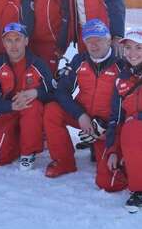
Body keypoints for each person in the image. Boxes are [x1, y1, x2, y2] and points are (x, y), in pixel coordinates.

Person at [43, 19, 127, 193]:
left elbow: (128, 106)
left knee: (109, 183)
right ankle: (64, 161)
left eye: (98, 39)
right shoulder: (79, 60)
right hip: (83, 117)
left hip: (107, 126)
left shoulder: (122, 65)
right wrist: (80, 115)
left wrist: (106, 131)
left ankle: (123, 162)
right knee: (52, 110)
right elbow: (61, 92)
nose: (93, 45)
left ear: (109, 39)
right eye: (89, 40)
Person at [0, 22, 54, 170]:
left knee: (31, 104)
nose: (14, 45)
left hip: (32, 113)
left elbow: (53, 92)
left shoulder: (38, 64)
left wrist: (36, 93)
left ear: (26, 41)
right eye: (9, 40)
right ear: (3, 43)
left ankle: (28, 151)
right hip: (9, 112)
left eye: (18, 39)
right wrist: (10, 106)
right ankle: (20, 140)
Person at [106, 27, 142, 213]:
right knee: (107, 180)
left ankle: (139, 190)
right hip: (134, 137)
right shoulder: (121, 79)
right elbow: (116, 117)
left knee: (133, 127)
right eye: (128, 48)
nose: (132, 53)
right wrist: (113, 150)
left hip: (136, 131)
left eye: (139, 48)